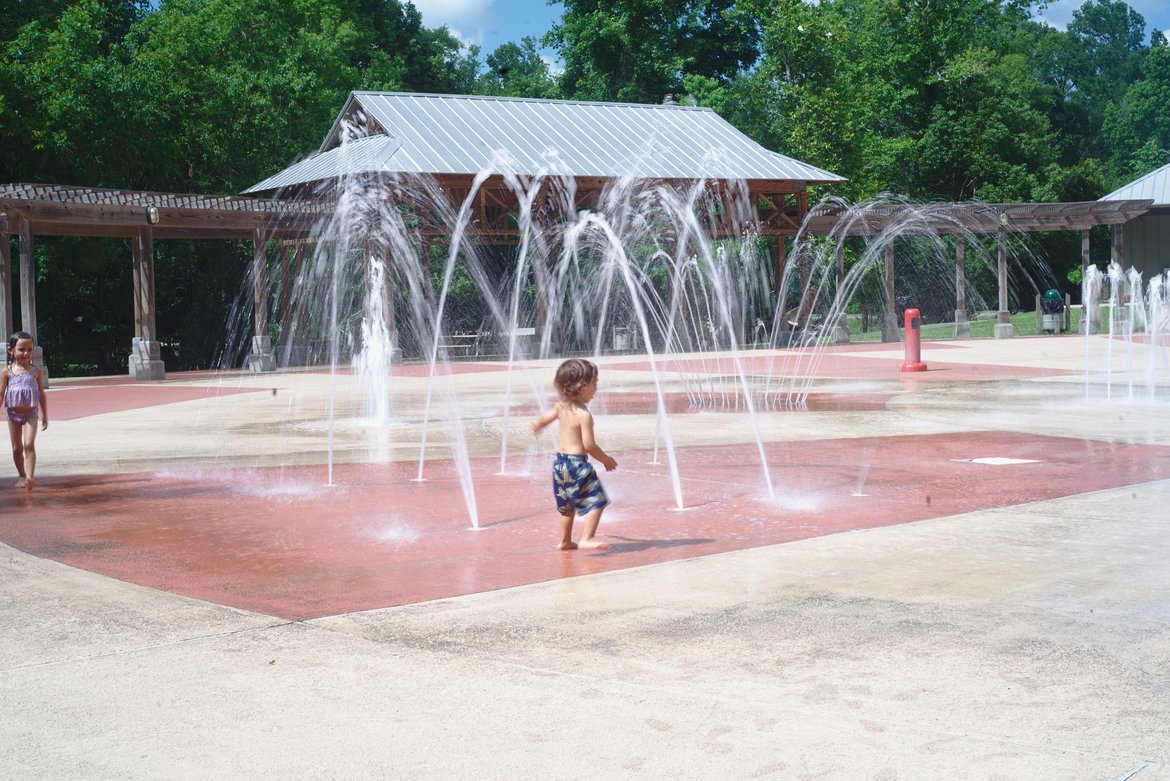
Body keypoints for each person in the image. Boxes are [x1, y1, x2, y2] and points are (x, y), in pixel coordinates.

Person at [531, 358, 618, 550]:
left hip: (560, 465)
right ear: (581, 387)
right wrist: (606, 460)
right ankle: (588, 537)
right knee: (599, 501)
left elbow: (544, 420)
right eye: (594, 383)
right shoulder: (584, 415)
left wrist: (538, 426)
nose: (596, 387)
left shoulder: (560, 406)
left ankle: (564, 541)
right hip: (577, 465)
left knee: (567, 508)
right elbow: (589, 446)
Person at [2, 331, 49, 491]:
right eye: (21, 349)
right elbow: (1, 393)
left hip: (31, 414)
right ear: (11, 350)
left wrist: (45, 415)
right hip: (13, 414)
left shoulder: (36, 371)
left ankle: (29, 477)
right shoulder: (7, 371)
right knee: (17, 448)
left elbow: (41, 393)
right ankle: (21, 475)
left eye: (29, 349)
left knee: (29, 444)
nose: (26, 353)